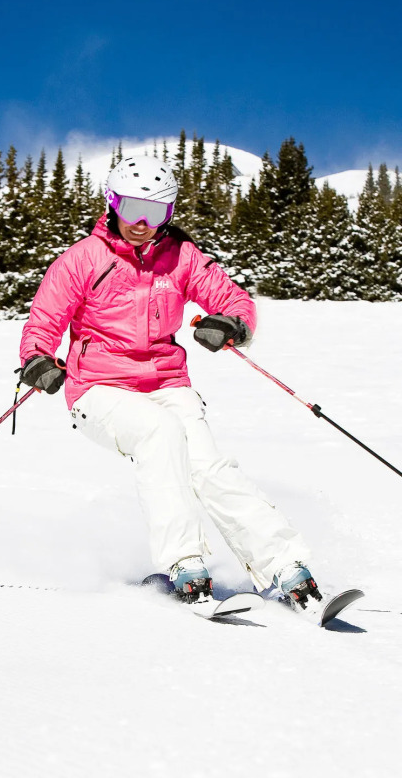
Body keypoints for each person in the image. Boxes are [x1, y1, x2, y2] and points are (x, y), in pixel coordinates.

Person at [18, 154, 321, 608]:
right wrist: (38, 360)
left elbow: (233, 298)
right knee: (160, 435)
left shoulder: (180, 256)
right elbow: (43, 321)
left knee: (207, 464)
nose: (141, 223)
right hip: (98, 390)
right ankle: (185, 566)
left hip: (166, 383)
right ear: (112, 203)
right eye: (131, 208)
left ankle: (287, 569)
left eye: (155, 212)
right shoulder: (83, 259)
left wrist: (231, 323)